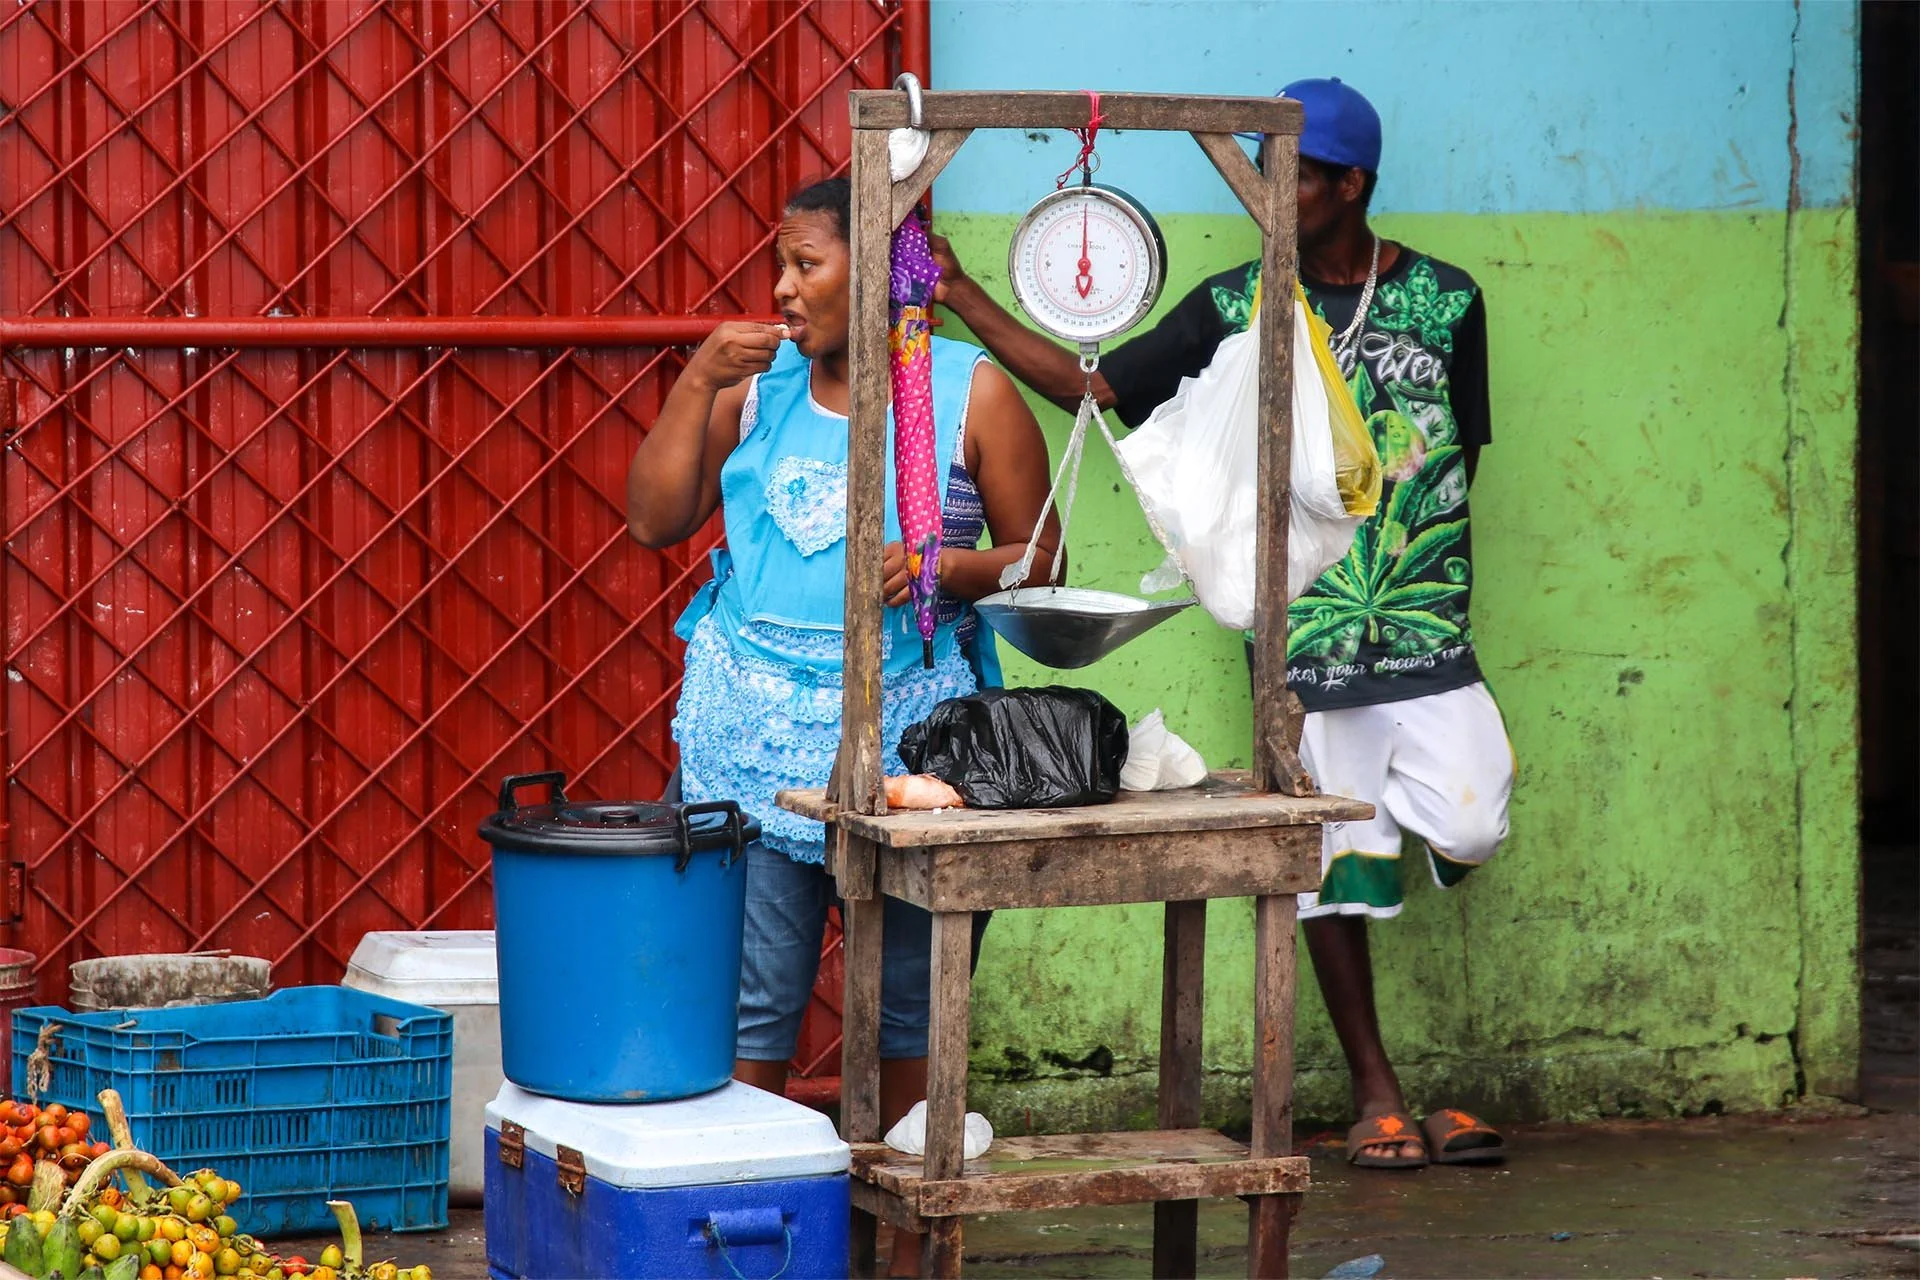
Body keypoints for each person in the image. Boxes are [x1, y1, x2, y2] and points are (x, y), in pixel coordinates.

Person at [929, 79, 1513, 1170]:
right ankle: (1376, 1086)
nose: (1266, 189)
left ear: (1351, 184)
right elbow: (1096, 392)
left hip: (1428, 631)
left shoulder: (1450, 299)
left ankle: (1395, 862)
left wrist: (1406, 570)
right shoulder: (1232, 304)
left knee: (1473, 818)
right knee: (1324, 858)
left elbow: (1454, 463)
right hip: (1304, 647)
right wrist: (964, 296)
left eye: (1288, 171)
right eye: (1253, 165)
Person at [627, 176, 1061, 1271]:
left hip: (912, 748)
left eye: (806, 264)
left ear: (880, 278)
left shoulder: (972, 394)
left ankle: (900, 1250)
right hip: (750, 745)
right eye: (782, 262)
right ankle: (741, 1242)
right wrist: (691, 384)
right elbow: (653, 519)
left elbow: (1042, 559)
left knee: (911, 1005)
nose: (781, 286)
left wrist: (940, 567)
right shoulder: (757, 386)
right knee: (753, 1002)